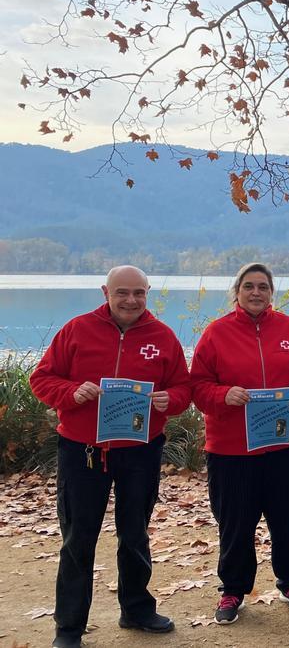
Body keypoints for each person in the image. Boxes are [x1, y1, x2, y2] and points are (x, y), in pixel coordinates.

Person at [30, 266, 192, 648]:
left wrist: (172, 401)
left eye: (139, 292)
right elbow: (41, 379)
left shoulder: (163, 337)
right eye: (122, 292)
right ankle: (69, 628)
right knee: (77, 540)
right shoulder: (76, 330)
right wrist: (71, 393)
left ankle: (136, 609)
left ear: (147, 292)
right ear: (106, 291)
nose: (131, 300)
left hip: (140, 450)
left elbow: (183, 387)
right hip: (82, 451)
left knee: (134, 533)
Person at [190, 262, 289, 624]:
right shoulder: (216, 334)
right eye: (249, 286)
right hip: (231, 449)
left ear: (271, 292)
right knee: (235, 522)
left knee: (288, 519)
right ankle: (233, 589)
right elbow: (198, 388)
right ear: (237, 291)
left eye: (263, 286)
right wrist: (223, 395)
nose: (256, 292)